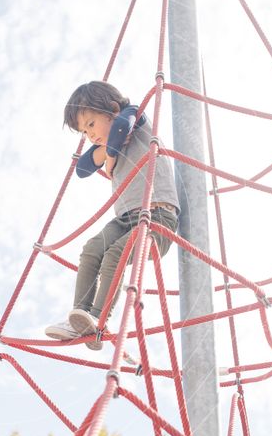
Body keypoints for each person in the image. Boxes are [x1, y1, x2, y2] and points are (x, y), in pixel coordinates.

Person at [45, 81, 179, 350]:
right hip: (125, 219)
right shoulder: (104, 145)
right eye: (84, 131)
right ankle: (80, 316)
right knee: (92, 249)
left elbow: (122, 127)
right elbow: (82, 168)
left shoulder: (135, 118)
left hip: (158, 217)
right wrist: (108, 152)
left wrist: (112, 154)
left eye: (92, 124)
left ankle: (98, 319)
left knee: (115, 254)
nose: (90, 135)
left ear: (112, 109)